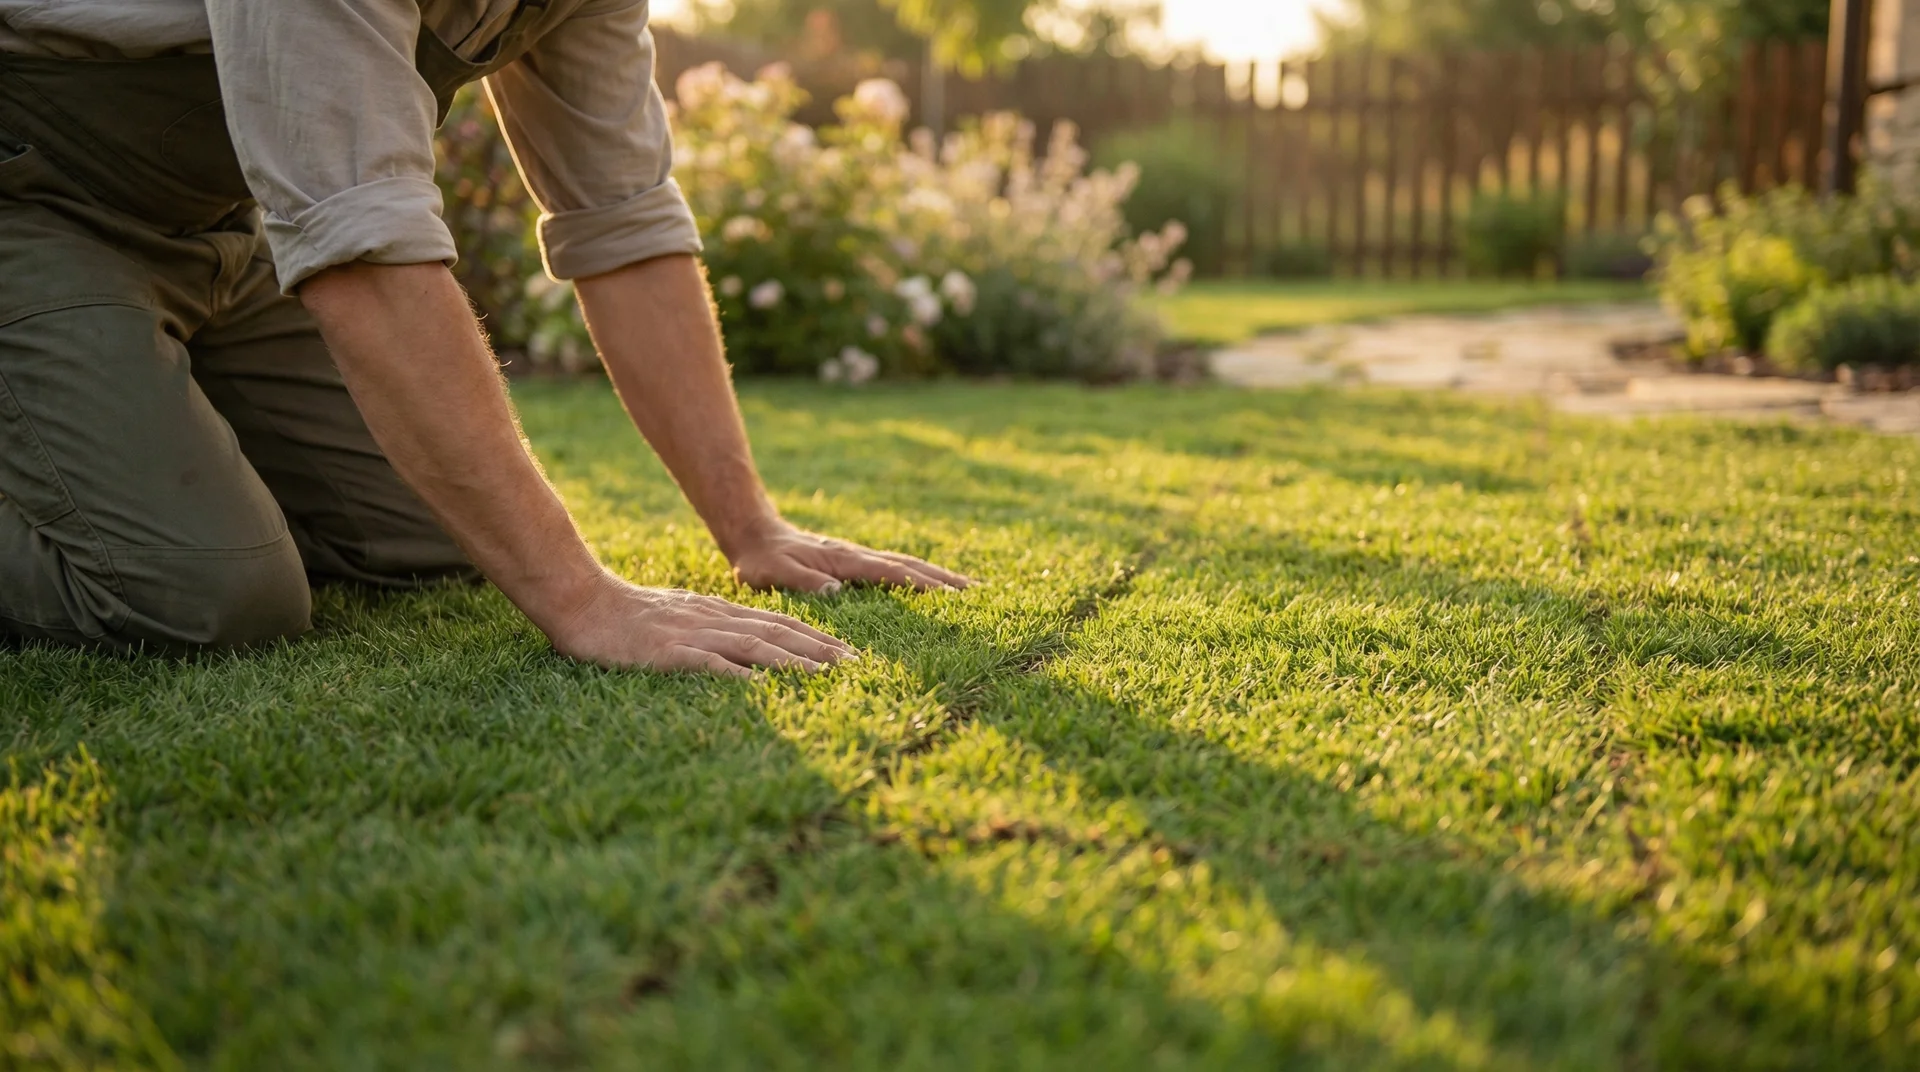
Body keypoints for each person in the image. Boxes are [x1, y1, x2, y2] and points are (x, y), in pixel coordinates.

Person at [0, 0, 970, 676]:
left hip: (220, 229)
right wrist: (586, 601)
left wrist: (750, 528)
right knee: (207, 593)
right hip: (34, 201)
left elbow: (622, 221)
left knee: (431, 531)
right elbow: (363, 251)